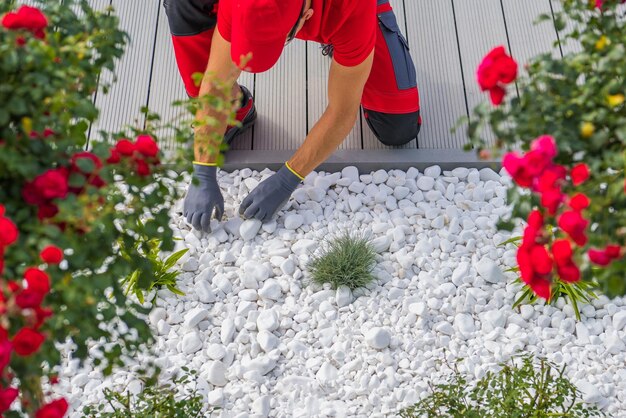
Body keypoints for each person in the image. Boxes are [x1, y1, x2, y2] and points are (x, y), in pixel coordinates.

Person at [164, 0, 421, 233]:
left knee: (398, 127)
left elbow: (342, 111)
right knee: (182, 3)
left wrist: (288, 178)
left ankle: (354, 41)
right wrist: (203, 170)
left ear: (306, 16)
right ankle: (236, 108)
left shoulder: (351, 8)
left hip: (347, 11)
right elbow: (215, 84)